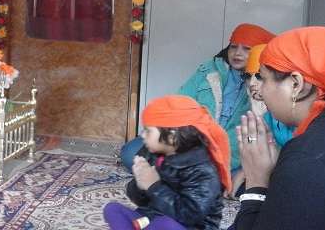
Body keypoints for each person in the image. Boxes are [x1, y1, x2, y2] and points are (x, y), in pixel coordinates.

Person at [232, 26, 325, 229]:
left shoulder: (314, 154)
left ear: (296, 84)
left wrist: (256, 183)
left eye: (263, 78)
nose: (259, 90)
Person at [121, 24, 274, 182]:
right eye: (234, 47)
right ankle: (187, 175)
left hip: (229, 155)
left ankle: (183, 175)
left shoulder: (264, 84)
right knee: (130, 152)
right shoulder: (210, 70)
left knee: (253, 177)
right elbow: (180, 100)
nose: (237, 53)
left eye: (247, 49)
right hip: (191, 141)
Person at [104, 95, 230, 230]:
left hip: (189, 225)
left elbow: (189, 216)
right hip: (153, 218)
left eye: (148, 131)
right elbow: (141, 201)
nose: (143, 136)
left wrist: (154, 186)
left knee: (164, 224)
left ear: (172, 136)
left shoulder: (203, 171)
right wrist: (140, 184)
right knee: (113, 209)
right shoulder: (152, 154)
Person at [244, 44, 295, 147]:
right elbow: (249, 145)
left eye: (260, 77)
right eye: (248, 76)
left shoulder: (297, 111)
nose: (252, 83)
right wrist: (257, 119)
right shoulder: (260, 111)